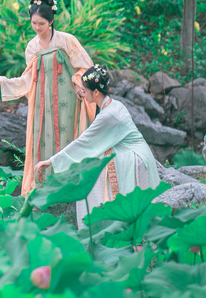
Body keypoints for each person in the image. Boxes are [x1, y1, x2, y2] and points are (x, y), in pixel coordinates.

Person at [0, 0, 97, 197]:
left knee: (68, 136)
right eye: (34, 23)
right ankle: (45, 185)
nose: (37, 27)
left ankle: (71, 184)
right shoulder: (32, 46)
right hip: (43, 102)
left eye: (41, 23)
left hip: (68, 99)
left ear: (51, 21)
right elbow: (29, 78)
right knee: (43, 138)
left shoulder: (66, 40)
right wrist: (6, 81)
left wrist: (78, 82)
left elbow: (86, 66)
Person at [35, 64, 160, 228]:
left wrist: (51, 161)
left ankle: (100, 222)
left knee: (94, 165)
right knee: (98, 156)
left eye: (84, 90)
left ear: (95, 92)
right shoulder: (114, 105)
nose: (82, 93)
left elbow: (85, 142)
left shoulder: (109, 115)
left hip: (135, 157)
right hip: (138, 152)